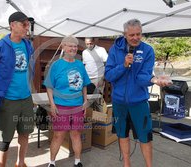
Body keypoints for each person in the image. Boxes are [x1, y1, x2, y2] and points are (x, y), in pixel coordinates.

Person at [104, 19, 172, 167]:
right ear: (124, 34)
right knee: (122, 134)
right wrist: (123, 66)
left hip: (139, 102)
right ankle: (126, 164)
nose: (135, 37)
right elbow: (108, 75)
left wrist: (153, 80)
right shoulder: (115, 49)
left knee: (145, 137)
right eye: (132, 35)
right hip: (119, 102)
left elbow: (142, 78)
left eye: (138, 34)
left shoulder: (148, 50)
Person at [0, 11, 35, 167]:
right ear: (12, 25)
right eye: (24, 24)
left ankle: (20, 162)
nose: (27, 28)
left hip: (26, 99)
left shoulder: (28, 45)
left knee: (25, 133)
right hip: (7, 100)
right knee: (5, 139)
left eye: (28, 25)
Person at [44, 35, 91, 167]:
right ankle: (52, 163)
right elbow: (49, 86)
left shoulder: (80, 65)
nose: (73, 48)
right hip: (61, 106)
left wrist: (85, 101)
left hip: (77, 106)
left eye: (75, 46)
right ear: (63, 47)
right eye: (70, 45)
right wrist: (52, 104)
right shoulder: (56, 65)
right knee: (58, 135)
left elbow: (84, 85)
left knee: (76, 134)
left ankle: (77, 161)